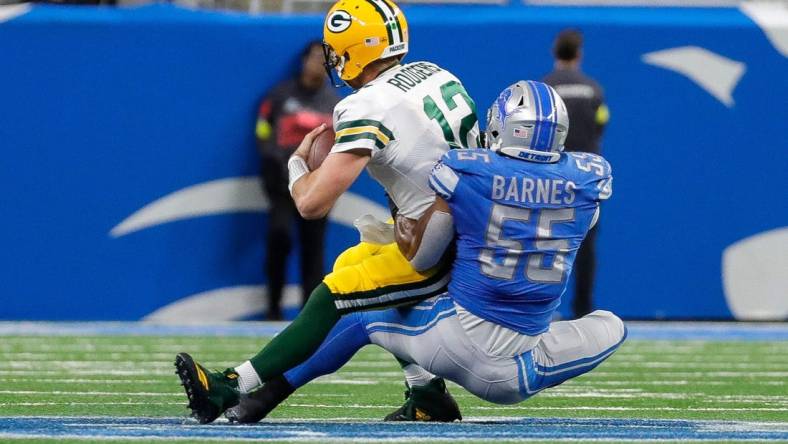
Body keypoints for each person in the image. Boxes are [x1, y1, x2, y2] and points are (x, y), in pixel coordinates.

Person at [224, 81, 625, 423]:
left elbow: (423, 257)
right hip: (521, 368)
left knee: (371, 309)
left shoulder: (468, 172)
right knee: (612, 325)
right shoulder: (589, 180)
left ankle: (261, 394)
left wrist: (403, 225)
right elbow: (573, 220)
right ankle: (428, 399)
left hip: (456, 339)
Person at [175, 0, 481, 424]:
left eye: (338, 50)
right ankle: (427, 392)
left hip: (439, 243)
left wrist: (297, 166)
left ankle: (232, 384)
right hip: (467, 222)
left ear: (356, 49)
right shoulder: (434, 73)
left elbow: (311, 204)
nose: (334, 61)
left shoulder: (367, 105)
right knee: (356, 262)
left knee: (336, 294)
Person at [256, 40, 340, 320]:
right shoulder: (281, 95)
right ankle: (273, 307)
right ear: (303, 60)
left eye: (325, 58)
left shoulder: (335, 104)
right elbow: (263, 128)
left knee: (313, 249)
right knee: (279, 237)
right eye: (315, 57)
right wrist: (275, 163)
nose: (319, 63)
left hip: (318, 184)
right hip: (282, 184)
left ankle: (308, 315)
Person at [543, 29, 610, 318]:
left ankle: (540, 308)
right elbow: (601, 125)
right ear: (579, 54)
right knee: (585, 247)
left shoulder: (544, 89)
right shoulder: (593, 89)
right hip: (585, 179)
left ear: (555, 53)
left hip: (549, 177)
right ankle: (583, 310)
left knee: (542, 244)